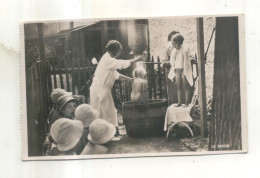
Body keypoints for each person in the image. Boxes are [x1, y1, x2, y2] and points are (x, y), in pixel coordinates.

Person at [90, 40, 144, 137]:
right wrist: (137, 59)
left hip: (101, 89)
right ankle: (108, 132)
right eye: (119, 51)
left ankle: (107, 132)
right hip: (100, 89)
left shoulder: (108, 58)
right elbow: (122, 64)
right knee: (103, 112)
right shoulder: (107, 59)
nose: (119, 53)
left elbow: (116, 75)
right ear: (113, 51)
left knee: (106, 111)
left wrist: (129, 79)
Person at [168, 34, 193, 108]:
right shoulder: (174, 51)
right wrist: (174, 67)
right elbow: (172, 61)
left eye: (174, 43)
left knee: (186, 86)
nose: (173, 45)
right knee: (178, 86)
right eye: (173, 43)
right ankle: (179, 102)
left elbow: (186, 62)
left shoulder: (184, 49)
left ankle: (186, 102)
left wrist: (185, 71)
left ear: (179, 43)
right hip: (177, 70)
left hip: (184, 70)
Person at [161, 31, 180, 105]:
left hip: (181, 73)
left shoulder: (183, 48)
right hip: (171, 74)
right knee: (173, 97)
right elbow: (163, 63)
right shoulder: (168, 47)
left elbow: (191, 58)